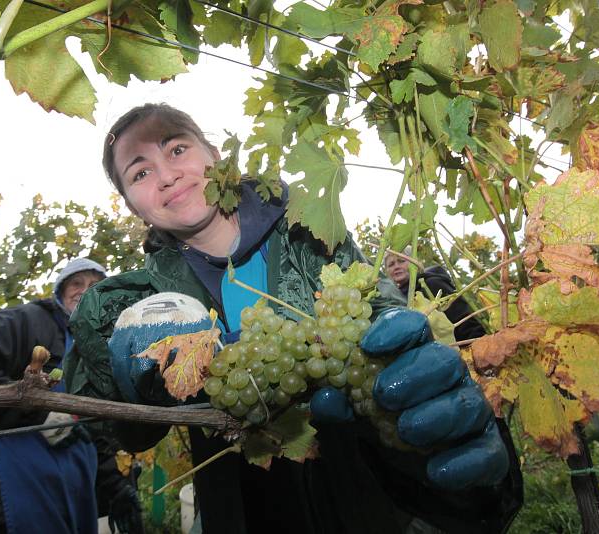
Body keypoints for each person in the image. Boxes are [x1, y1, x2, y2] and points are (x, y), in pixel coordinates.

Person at [64, 104, 523, 533]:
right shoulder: (134, 303)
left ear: (216, 156)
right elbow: (118, 430)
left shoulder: (313, 233)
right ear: (131, 205)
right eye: (140, 172)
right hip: (245, 513)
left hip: (363, 500)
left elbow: (381, 315)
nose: (166, 175)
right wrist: (124, 381)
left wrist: (429, 413)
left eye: (177, 148)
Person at [0, 258, 143, 534]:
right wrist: (38, 413)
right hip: (5, 493)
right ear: (60, 291)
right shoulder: (27, 321)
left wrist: (117, 489)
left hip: (66, 497)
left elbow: (92, 432)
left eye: (95, 286)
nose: (85, 290)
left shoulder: (98, 349)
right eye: (76, 283)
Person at [381, 248, 487, 342]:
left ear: (414, 262)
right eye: (391, 264)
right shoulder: (396, 298)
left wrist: (477, 345)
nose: (396, 267)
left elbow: (462, 317)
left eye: (401, 261)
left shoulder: (432, 283)